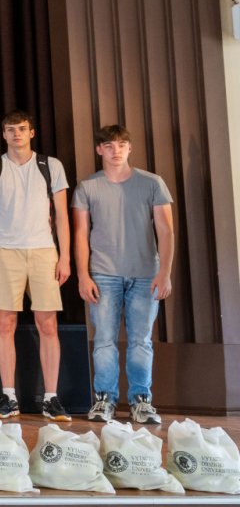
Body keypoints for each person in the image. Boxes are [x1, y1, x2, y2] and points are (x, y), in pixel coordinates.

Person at [73, 124, 176, 425]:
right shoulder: (87, 187)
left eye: (121, 145)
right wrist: (83, 275)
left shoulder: (152, 183)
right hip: (103, 274)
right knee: (104, 339)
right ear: (99, 150)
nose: (115, 150)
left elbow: (166, 231)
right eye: (109, 145)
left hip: (146, 274)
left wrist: (165, 273)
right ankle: (104, 399)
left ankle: (141, 401)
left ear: (130, 148)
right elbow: (80, 234)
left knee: (141, 341)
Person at [0, 111, 72, 420]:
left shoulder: (50, 166)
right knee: (5, 323)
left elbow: (62, 215)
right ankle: (8, 396)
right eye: (10, 129)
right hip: (5, 251)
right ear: (3, 134)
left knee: (48, 324)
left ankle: (51, 398)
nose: (16, 134)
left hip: (44, 251)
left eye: (22, 128)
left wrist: (65, 256)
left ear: (32, 132)